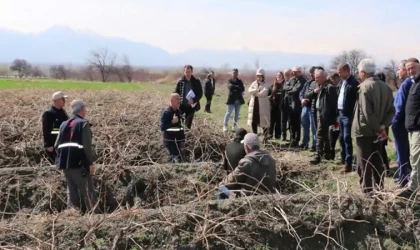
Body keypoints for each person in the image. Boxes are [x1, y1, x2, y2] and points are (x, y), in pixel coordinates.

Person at [352, 59, 394, 195]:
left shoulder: (365, 87)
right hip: (379, 132)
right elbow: (392, 111)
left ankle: (367, 194)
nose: (358, 75)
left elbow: (366, 113)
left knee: (364, 164)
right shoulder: (386, 87)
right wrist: (383, 127)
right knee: (377, 162)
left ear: (363, 73)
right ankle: (380, 190)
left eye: (359, 72)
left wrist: (377, 128)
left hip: (365, 132)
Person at [55, 100, 98, 212]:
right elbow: (87, 147)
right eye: (85, 108)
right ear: (82, 109)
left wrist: (63, 157)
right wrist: (90, 163)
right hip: (80, 165)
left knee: (72, 192)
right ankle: (95, 216)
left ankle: (72, 216)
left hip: (65, 165)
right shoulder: (83, 124)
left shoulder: (64, 124)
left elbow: (56, 145)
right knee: (89, 192)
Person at [218, 133, 276, 199]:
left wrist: (222, 182)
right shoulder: (271, 159)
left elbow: (230, 180)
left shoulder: (246, 162)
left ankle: (220, 208)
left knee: (221, 187)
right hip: (269, 195)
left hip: (249, 198)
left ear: (247, 147)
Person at [398, 58, 420, 199]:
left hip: (418, 128)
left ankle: (412, 189)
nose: (411, 71)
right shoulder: (414, 83)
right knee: (414, 158)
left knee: (417, 159)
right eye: (408, 68)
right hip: (411, 128)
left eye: (413, 67)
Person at [392, 59, 413, 188]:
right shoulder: (411, 83)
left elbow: (400, 106)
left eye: (399, 69)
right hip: (406, 123)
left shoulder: (406, 84)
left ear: (405, 70)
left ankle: (403, 178)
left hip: (400, 123)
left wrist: (394, 121)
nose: (397, 72)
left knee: (401, 152)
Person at [310, 69, 338, 165]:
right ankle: (326, 154)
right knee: (324, 135)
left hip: (326, 115)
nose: (315, 79)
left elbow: (334, 104)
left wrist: (333, 117)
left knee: (320, 134)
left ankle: (318, 155)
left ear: (323, 77)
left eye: (317, 77)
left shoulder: (329, 87)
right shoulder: (321, 86)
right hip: (319, 113)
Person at [336, 63, 360, 173]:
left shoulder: (353, 83)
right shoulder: (342, 82)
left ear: (346, 71)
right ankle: (343, 157)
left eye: (340, 72)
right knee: (341, 138)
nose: (339, 74)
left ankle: (348, 163)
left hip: (348, 115)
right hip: (340, 114)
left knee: (347, 138)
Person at [41, 91, 69, 165]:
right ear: (57, 100)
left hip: (62, 143)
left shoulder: (63, 112)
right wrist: (48, 145)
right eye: (63, 99)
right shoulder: (49, 113)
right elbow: (46, 130)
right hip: (53, 145)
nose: (64, 101)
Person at [174, 65, 203, 129]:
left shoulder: (196, 81)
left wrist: (194, 100)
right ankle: (180, 135)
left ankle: (186, 136)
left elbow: (200, 93)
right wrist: (176, 101)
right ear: (184, 72)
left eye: (189, 72)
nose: (187, 73)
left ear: (192, 72)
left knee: (188, 124)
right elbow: (175, 92)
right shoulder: (180, 81)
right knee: (178, 122)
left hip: (191, 107)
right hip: (181, 106)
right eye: (186, 72)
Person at [160, 93, 185, 163]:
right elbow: (162, 127)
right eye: (177, 99)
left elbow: (181, 127)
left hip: (177, 141)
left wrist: (183, 139)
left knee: (173, 158)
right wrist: (172, 122)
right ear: (171, 101)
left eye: (179, 99)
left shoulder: (179, 112)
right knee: (177, 157)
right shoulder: (166, 112)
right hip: (170, 141)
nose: (179, 101)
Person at [284, 66, 306, 147]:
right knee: (291, 123)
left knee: (296, 124)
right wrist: (291, 88)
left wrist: (290, 89)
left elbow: (295, 91)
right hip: (290, 104)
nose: (293, 73)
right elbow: (285, 87)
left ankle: (296, 140)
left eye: (295, 72)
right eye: (293, 71)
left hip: (297, 105)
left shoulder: (303, 81)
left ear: (300, 72)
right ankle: (292, 139)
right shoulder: (292, 79)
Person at [247, 68, 270, 141]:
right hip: (254, 106)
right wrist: (257, 90)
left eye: (260, 76)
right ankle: (255, 137)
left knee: (264, 122)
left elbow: (264, 93)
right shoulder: (254, 83)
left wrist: (255, 93)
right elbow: (249, 90)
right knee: (253, 122)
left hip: (263, 106)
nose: (259, 77)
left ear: (263, 76)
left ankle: (265, 138)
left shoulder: (266, 84)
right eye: (257, 76)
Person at [375, 72, 391, 174]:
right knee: (381, 146)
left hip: (380, 122)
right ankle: (385, 167)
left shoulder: (379, 90)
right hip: (385, 122)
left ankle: (385, 168)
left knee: (379, 146)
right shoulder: (388, 90)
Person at [300, 66, 317, 150]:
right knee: (304, 126)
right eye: (310, 74)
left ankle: (315, 145)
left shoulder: (318, 84)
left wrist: (307, 99)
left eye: (313, 74)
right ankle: (305, 142)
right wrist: (302, 99)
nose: (311, 76)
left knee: (313, 128)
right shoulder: (307, 83)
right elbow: (301, 92)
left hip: (312, 108)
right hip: (305, 108)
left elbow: (313, 95)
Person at [268, 72, 285, 139]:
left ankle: (278, 135)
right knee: (271, 121)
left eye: (280, 75)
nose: (278, 76)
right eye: (277, 75)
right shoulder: (272, 86)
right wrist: (269, 98)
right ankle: (270, 134)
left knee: (278, 121)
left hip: (280, 106)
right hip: (272, 106)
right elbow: (268, 95)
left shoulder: (284, 85)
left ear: (282, 77)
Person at [328, 74, 340, 160]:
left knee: (338, 134)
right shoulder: (332, 88)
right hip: (334, 116)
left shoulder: (340, 87)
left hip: (339, 116)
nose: (332, 81)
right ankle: (331, 152)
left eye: (333, 79)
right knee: (332, 133)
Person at [281, 69, 293, 141]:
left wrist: (287, 88)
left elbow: (292, 88)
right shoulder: (284, 82)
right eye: (285, 75)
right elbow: (284, 88)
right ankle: (283, 135)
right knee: (283, 121)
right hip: (284, 103)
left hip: (291, 104)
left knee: (290, 121)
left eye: (288, 74)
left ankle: (291, 136)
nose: (287, 76)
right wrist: (288, 88)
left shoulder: (293, 81)